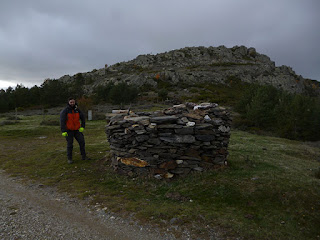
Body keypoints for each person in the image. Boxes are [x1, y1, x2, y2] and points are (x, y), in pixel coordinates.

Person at [60, 97, 90, 164]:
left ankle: (84, 156)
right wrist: (63, 131)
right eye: (71, 102)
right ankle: (69, 158)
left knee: (82, 142)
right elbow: (62, 121)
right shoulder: (65, 111)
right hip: (69, 130)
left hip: (77, 130)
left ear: (75, 102)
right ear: (68, 102)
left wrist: (82, 127)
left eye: (73, 102)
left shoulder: (77, 110)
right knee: (70, 145)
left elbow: (83, 119)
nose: (72, 103)